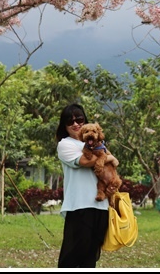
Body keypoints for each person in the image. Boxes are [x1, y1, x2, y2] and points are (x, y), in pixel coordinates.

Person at [55, 103, 119, 268]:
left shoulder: (98, 144)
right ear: (64, 125)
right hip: (79, 206)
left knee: (91, 257)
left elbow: (115, 163)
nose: (76, 124)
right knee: (71, 256)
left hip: (101, 206)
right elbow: (85, 161)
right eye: (70, 121)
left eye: (79, 119)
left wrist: (109, 162)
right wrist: (108, 157)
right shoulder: (65, 144)